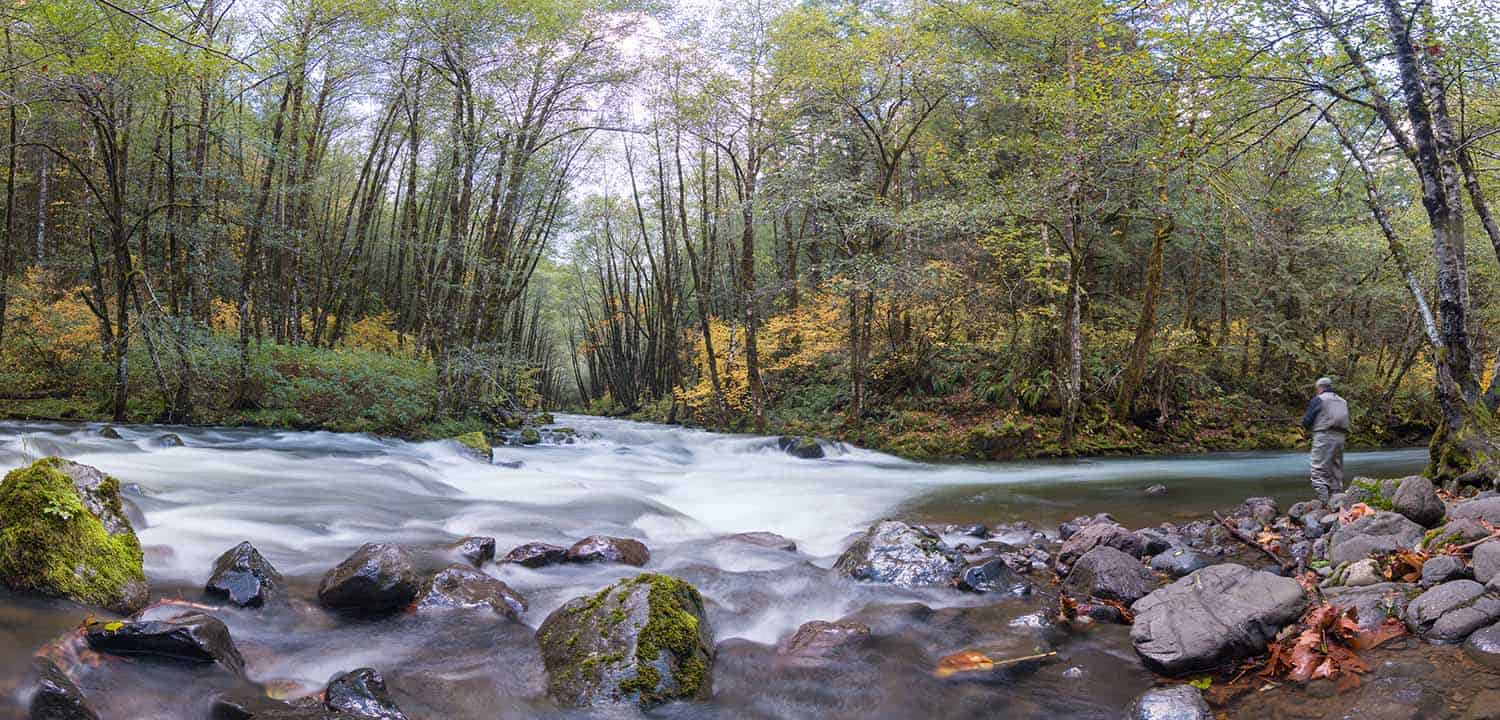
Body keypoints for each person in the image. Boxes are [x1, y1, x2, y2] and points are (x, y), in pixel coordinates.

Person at [1301, 377, 1350, 502]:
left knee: (1318, 471)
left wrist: (1306, 425)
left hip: (1324, 436)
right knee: (1336, 471)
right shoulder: (1343, 401)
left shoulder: (1319, 399)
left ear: (1320, 387)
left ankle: (1325, 502)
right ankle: (1338, 501)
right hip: (1340, 438)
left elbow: (1306, 421)